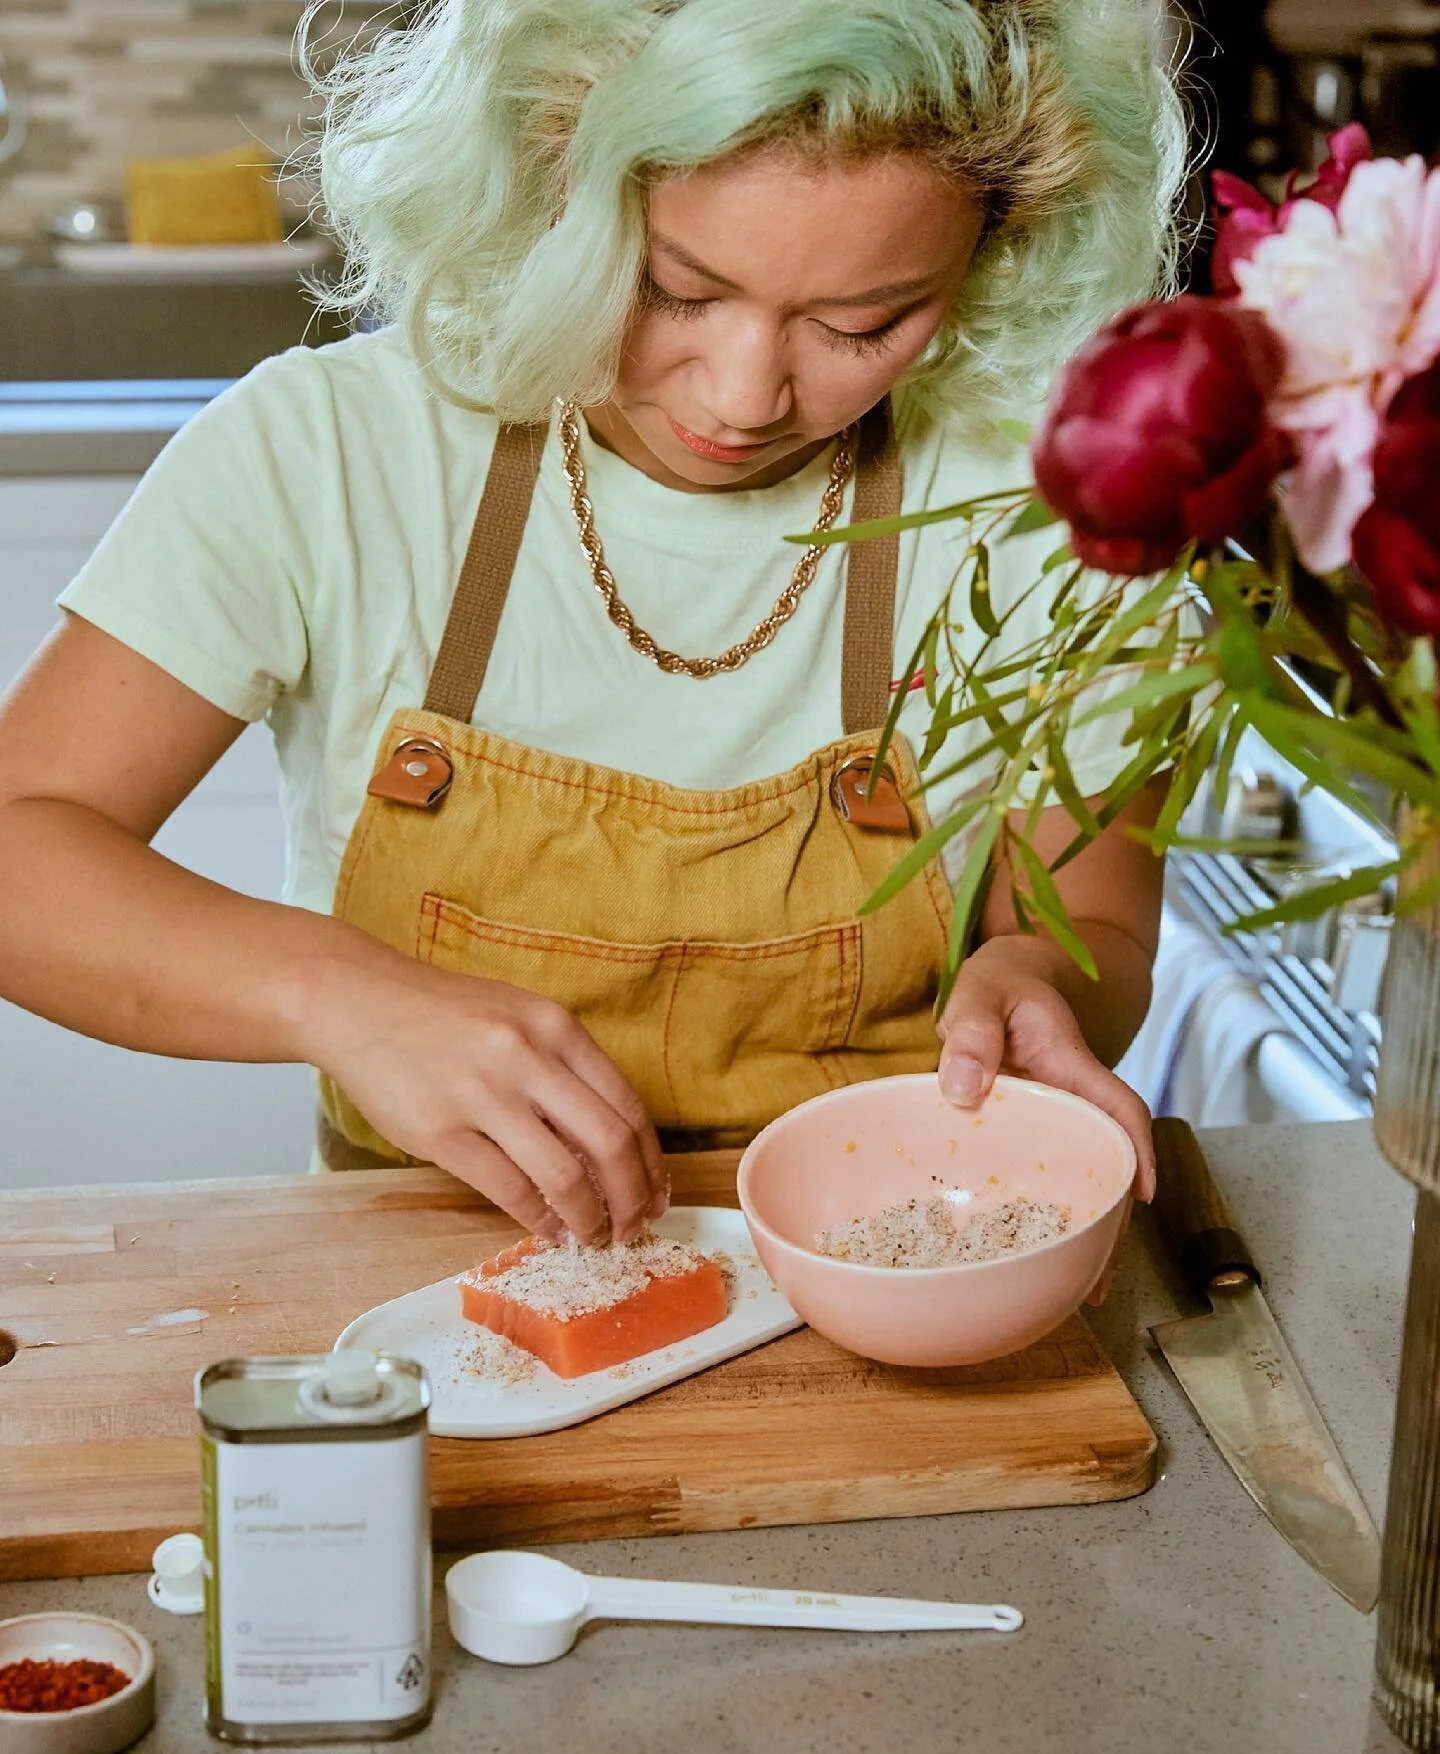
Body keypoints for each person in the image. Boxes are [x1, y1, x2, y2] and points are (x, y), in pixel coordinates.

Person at [0, 0, 1186, 1247]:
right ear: (548, 179)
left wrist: (1042, 981)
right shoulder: (331, 453)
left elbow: (1090, 921)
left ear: (1000, 252)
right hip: (423, 1288)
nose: (744, 394)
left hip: (889, 1251)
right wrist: (336, 994)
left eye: (859, 325)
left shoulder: (1056, 503)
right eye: (677, 289)